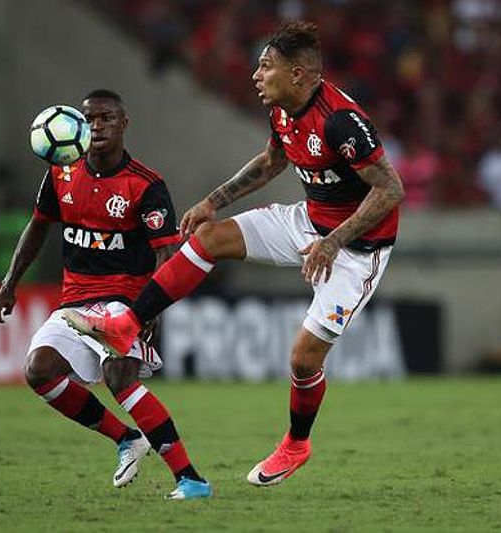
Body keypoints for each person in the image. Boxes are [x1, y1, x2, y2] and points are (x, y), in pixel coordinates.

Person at [63, 22, 405, 487]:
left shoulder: (340, 121)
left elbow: (390, 188)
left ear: (300, 74)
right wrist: (212, 202)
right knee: (210, 237)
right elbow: (271, 161)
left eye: (267, 67)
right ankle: (127, 324)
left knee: (304, 358)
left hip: (357, 248)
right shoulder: (284, 111)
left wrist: (333, 242)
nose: (256, 75)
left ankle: (296, 444)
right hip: (308, 221)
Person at [0, 89, 212, 500]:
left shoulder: (145, 185)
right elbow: (38, 225)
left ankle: (190, 479)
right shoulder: (61, 172)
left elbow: (166, 252)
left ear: (124, 124)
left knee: (118, 376)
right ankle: (127, 438)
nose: (98, 126)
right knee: (39, 369)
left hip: (125, 300)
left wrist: (150, 309)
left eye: (107, 118)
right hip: (74, 302)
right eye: (90, 119)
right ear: (78, 126)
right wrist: (9, 284)